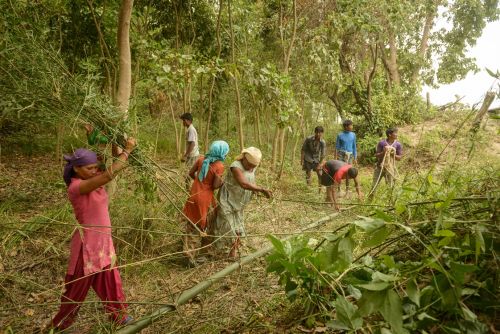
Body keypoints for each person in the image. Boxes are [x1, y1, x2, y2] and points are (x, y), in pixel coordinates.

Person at [50, 137, 137, 331]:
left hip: (103, 242)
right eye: (89, 169)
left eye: (95, 167)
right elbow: (107, 175)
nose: (94, 171)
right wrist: (128, 151)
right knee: (76, 289)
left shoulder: (90, 178)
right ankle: (61, 323)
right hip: (87, 245)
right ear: (76, 169)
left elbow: (104, 161)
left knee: (111, 280)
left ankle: (119, 316)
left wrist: (103, 138)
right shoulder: (77, 187)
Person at [214, 147, 272, 258]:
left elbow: (251, 179)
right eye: (250, 165)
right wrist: (262, 189)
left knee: (238, 226)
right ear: (244, 158)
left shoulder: (253, 166)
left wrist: (254, 188)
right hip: (228, 200)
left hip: (240, 202)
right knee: (227, 226)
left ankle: (233, 251)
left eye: (254, 166)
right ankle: (212, 246)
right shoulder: (236, 166)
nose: (251, 168)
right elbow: (243, 183)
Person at [182, 140, 229, 268]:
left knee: (192, 225)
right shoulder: (219, 166)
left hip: (193, 196)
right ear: (222, 153)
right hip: (205, 200)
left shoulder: (202, 159)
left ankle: (188, 252)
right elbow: (215, 185)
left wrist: (199, 181)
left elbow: (191, 173)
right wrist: (224, 181)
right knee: (207, 225)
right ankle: (206, 251)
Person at [371, 127, 402, 193]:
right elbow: (377, 156)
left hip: (390, 169)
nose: (397, 134)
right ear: (389, 134)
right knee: (374, 186)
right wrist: (383, 152)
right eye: (395, 133)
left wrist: (392, 154)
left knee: (390, 188)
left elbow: (399, 158)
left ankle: (389, 202)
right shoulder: (381, 143)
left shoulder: (397, 144)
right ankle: (369, 200)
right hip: (380, 168)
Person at [334, 120, 358, 198]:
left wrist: (355, 157)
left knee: (349, 173)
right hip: (341, 155)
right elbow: (337, 147)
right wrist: (335, 158)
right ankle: (339, 191)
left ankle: (347, 192)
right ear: (346, 127)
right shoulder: (340, 135)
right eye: (351, 125)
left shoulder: (353, 135)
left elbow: (354, 146)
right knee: (339, 172)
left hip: (349, 156)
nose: (352, 127)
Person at [301, 126, 326, 193]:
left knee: (320, 174)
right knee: (308, 174)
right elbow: (303, 149)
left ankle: (319, 190)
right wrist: (302, 159)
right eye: (317, 132)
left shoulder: (322, 142)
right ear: (315, 132)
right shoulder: (309, 139)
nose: (318, 134)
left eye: (320, 133)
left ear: (321, 133)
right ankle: (309, 189)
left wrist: (319, 164)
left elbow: (323, 154)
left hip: (316, 159)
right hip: (307, 158)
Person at [180, 113, 200, 189]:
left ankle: (191, 189)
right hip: (192, 155)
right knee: (189, 173)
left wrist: (186, 155)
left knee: (189, 173)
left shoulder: (191, 130)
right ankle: (188, 189)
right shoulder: (190, 129)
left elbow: (192, 143)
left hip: (192, 155)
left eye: (184, 120)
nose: (183, 122)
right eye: (183, 120)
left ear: (189, 120)